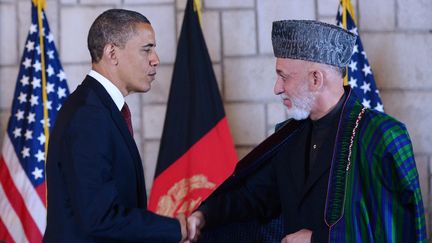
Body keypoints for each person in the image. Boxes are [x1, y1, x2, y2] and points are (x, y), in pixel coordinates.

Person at [187, 20, 427, 242]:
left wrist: (318, 239)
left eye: (283, 77)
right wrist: (205, 215)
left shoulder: (382, 135)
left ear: (315, 79)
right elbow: (253, 197)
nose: (277, 88)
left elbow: (399, 229)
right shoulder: (289, 137)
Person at [43, 9, 186, 243]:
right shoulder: (89, 115)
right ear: (112, 53)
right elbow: (100, 218)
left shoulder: (98, 108)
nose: (156, 59)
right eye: (146, 49)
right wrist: (175, 229)